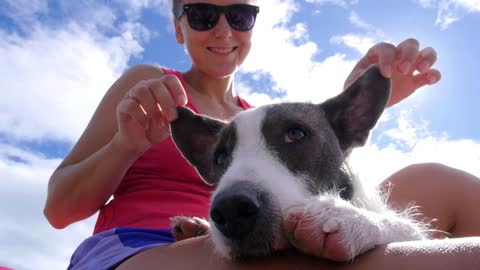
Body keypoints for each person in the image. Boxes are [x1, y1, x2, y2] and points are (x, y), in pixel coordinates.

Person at [43, 0, 480, 269]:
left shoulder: (255, 120)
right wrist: (126, 144)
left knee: (440, 181)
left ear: (253, 24)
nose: (223, 30)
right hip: (146, 247)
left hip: (271, 233)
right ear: (178, 27)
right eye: (201, 14)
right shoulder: (152, 87)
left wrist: (355, 102)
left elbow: (330, 175)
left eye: (239, 14)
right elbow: (59, 211)